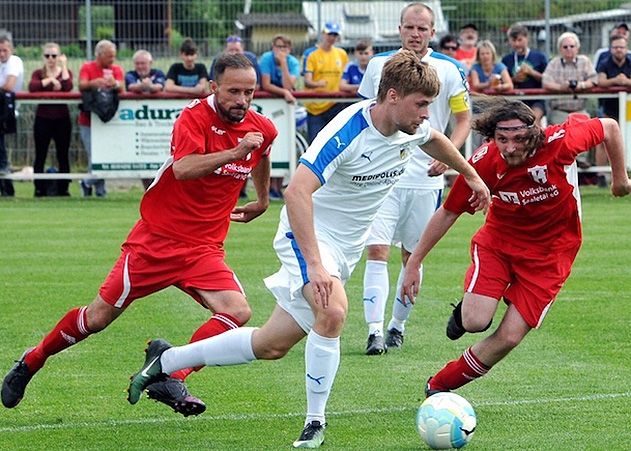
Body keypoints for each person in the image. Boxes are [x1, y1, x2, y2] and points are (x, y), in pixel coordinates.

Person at [126, 51, 490, 449]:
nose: (426, 114)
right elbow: (297, 190)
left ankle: (167, 360)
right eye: (421, 105)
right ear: (391, 96)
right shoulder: (347, 131)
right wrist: (316, 265)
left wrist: (471, 175)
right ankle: (314, 424)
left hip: (345, 249)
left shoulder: (411, 128)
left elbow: (435, 139)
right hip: (308, 236)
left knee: (271, 344)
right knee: (333, 311)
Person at [1, 54, 278, 418]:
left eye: (249, 91)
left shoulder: (260, 127)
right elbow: (184, 168)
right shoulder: (193, 118)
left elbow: (263, 153)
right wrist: (236, 150)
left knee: (237, 311)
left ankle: (171, 373)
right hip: (156, 243)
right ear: (213, 87)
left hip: (204, 249)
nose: (242, 100)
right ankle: (32, 361)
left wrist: (261, 199)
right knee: (97, 318)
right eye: (233, 91)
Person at [399, 96, 631, 398]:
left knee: (509, 337)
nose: (510, 148)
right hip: (500, 244)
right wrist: (414, 262)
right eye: (502, 139)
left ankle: (440, 385)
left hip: (552, 255)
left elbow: (610, 127)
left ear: (533, 133)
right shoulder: (484, 161)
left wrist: (619, 178)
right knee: (475, 320)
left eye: (519, 139)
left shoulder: (560, 142)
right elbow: (448, 211)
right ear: (492, 137)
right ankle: (462, 314)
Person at [358, 2, 471, 355]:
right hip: (382, 174)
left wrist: (448, 154)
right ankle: (374, 331)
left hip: (425, 178)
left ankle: (397, 325)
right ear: (399, 29)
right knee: (376, 250)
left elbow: (464, 119)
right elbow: (363, 114)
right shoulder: (379, 65)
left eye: (422, 29)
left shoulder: (451, 69)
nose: (415, 34)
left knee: (412, 256)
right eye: (409, 27)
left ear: (432, 32)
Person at [78, 39, 124, 198]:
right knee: (94, 156)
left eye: (113, 56)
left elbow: (122, 87)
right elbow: (82, 85)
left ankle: (90, 184)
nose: (112, 60)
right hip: (88, 121)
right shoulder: (87, 67)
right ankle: (95, 187)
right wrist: (94, 83)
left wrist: (115, 84)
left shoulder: (116, 69)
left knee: (104, 155)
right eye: (109, 56)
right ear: (99, 55)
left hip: (107, 121)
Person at [28, 42, 73, 197]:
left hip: (62, 119)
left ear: (59, 57)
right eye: (47, 56)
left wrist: (64, 66)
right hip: (43, 118)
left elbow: (67, 86)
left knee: (63, 154)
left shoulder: (65, 72)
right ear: (43, 57)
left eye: (54, 55)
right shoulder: (38, 73)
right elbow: (32, 87)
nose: (51, 59)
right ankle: (39, 188)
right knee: (40, 154)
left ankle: (63, 189)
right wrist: (50, 80)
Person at [259, 34, 301, 200]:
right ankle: (268, 187)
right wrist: (284, 93)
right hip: (269, 108)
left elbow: (289, 85)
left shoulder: (293, 62)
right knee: (267, 143)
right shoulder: (266, 59)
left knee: (285, 142)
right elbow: (266, 84)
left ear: (289, 49)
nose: (280, 50)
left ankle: (278, 186)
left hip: (285, 111)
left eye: (284, 47)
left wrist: (283, 63)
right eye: (277, 47)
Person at [125, 49, 166, 190]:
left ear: (150, 63)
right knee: (141, 159)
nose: (141, 66)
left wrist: (146, 86)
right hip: (136, 125)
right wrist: (147, 86)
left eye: (143, 63)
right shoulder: (130, 74)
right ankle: (150, 191)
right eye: (138, 63)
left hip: (156, 126)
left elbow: (159, 87)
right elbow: (131, 86)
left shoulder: (159, 73)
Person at [303, 21, 349, 143]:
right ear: (323, 34)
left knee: (337, 143)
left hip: (335, 105)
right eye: (330, 34)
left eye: (335, 35)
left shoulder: (341, 54)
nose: (332, 38)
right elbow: (307, 81)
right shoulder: (311, 54)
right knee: (315, 144)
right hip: (315, 107)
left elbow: (345, 77)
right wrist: (318, 84)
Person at [595, 34, 631, 185]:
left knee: (627, 138)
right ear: (610, 49)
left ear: (626, 48)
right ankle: (602, 175)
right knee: (603, 140)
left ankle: (625, 174)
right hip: (609, 109)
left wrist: (626, 82)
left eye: (621, 47)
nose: (618, 50)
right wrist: (616, 81)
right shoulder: (604, 63)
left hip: (628, 109)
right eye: (615, 47)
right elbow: (600, 81)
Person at [542, 32, 597, 125]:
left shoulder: (584, 61)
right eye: (565, 47)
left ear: (577, 48)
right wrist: (560, 87)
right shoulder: (554, 63)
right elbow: (545, 82)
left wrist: (581, 85)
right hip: (558, 111)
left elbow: (594, 79)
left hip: (580, 111)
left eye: (572, 46)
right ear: (560, 49)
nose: (569, 49)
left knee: (587, 133)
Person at [501, 24, 548, 125]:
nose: (517, 44)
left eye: (520, 40)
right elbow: (502, 82)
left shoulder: (539, 57)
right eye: (513, 41)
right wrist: (514, 79)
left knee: (533, 120)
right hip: (514, 99)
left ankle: (537, 140)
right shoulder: (506, 60)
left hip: (537, 99)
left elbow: (548, 79)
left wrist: (532, 72)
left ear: (527, 38)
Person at [0, 34, 24, 197]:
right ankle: (7, 189)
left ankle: (8, 190)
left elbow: (9, 85)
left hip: (6, 112)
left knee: (1, 152)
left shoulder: (14, 61)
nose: (2, 54)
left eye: (4, 50)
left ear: (11, 50)